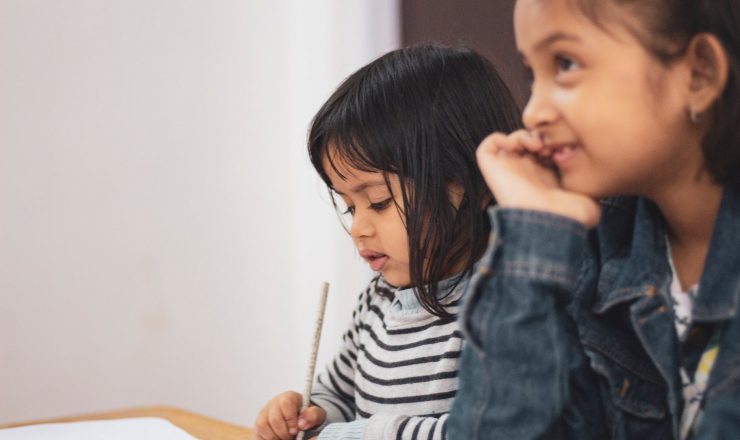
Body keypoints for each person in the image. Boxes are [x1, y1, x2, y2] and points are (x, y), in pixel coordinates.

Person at [449, 0, 740, 438]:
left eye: (565, 64)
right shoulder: (594, 249)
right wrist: (532, 234)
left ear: (698, 74)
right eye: (532, 74)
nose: (531, 113)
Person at [253, 44, 521, 440]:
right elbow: (339, 393)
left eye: (378, 202)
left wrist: (356, 435)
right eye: (349, 208)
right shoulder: (377, 301)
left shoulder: (509, 304)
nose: (358, 227)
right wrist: (305, 412)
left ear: (475, 183)